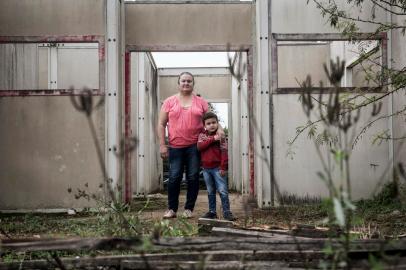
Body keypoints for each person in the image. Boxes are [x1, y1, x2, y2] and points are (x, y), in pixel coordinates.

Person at [158, 72, 222, 219]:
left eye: (189, 81)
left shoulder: (201, 102)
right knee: (174, 177)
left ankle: (188, 209)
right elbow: (161, 124)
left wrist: (220, 131)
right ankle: (171, 209)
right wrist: (162, 144)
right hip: (175, 146)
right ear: (178, 83)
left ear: (193, 84)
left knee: (193, 177)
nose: (186, 83)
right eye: (183, 81)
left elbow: (211, 120)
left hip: (195, 146)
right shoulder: (169, 102)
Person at [197, 112, 236, 221]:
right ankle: (212, 212)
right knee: (210, 191)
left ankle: (227, 212)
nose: (211, 125)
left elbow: (224, 151)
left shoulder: (222, 137)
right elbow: (200, 147)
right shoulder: (202, 135)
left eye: (214, 122)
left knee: (223, 191)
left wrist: (223, 167)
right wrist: (213, 139)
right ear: (204, 125)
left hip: (218, 168)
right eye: (208, 123)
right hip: (206, 169)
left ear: (217, 123)